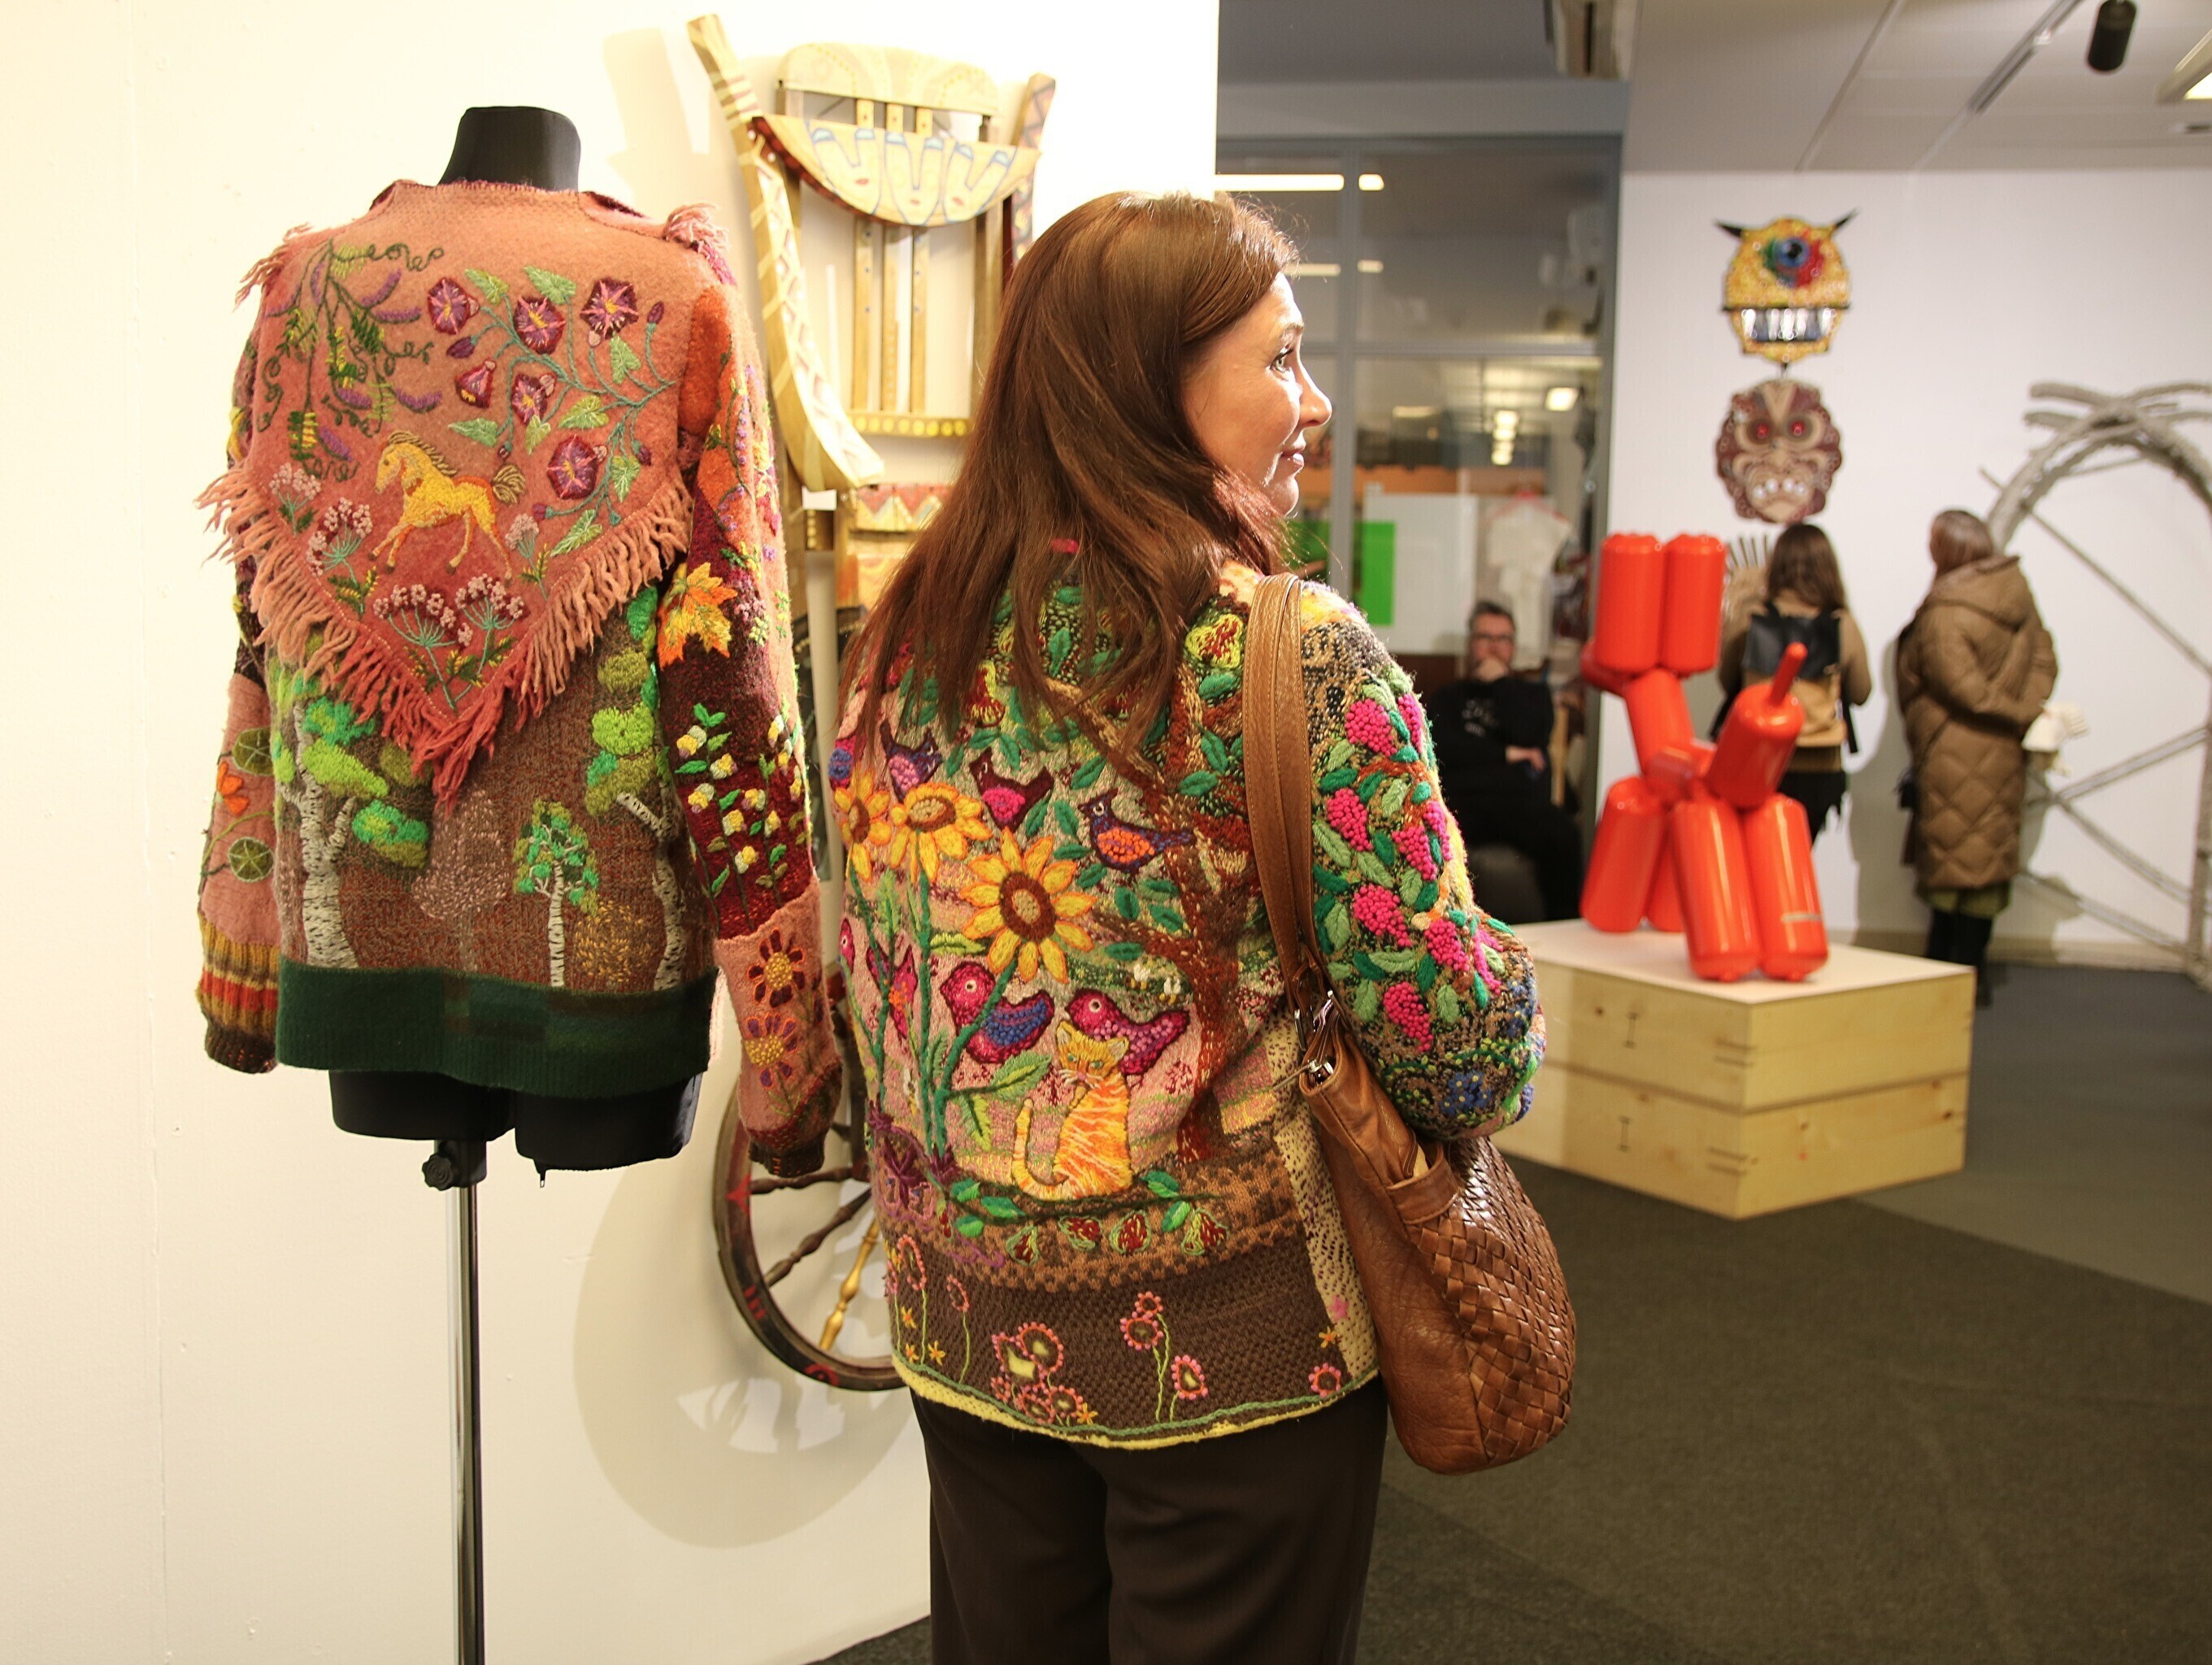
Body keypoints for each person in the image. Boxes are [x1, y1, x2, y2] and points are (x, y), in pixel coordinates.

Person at [820, 193, 1545, 1664]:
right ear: (1150, 387)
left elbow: (880, 970)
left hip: (967, 1313)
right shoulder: (1284, 650)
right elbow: (1460, 1051)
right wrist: (1509, 983)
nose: (1313, 401)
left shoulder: (905, 640)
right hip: (1230, 1339)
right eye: (1279, 358)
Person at [1895, 508, 2058, 999]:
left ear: (1946, 550)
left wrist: (2005, 707)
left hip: (1951, 752)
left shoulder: (1946, 611)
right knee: (1985, 864)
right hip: (2003, 753)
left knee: (1950, 864)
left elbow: (1959, 685)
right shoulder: (2017, 595)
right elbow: (2045, 660)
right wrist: (2024, 711)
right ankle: (1973, 970)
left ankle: (1945, 977)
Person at [1423, 602, 1584, 919]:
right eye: (1485, 637)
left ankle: (1562, 926)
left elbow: (1528, 733)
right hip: (1465, 805)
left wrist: (1500, 685)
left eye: (1503, 639)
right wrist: (1506, 754)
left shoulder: (1533, 696)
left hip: (1517, 805)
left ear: (1513, 647)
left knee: (1564, 834)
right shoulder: (1448, 697)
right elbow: (1445, 751)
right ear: (1471, 644)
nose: (1494, 647)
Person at [1717, 522, 1872, 843]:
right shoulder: (1842, 624)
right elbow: (1861, 693)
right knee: (1797, 859)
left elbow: (1727, 681)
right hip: (1820, 767)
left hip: (1758, 763)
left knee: (1753, 858)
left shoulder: (1751, 617)